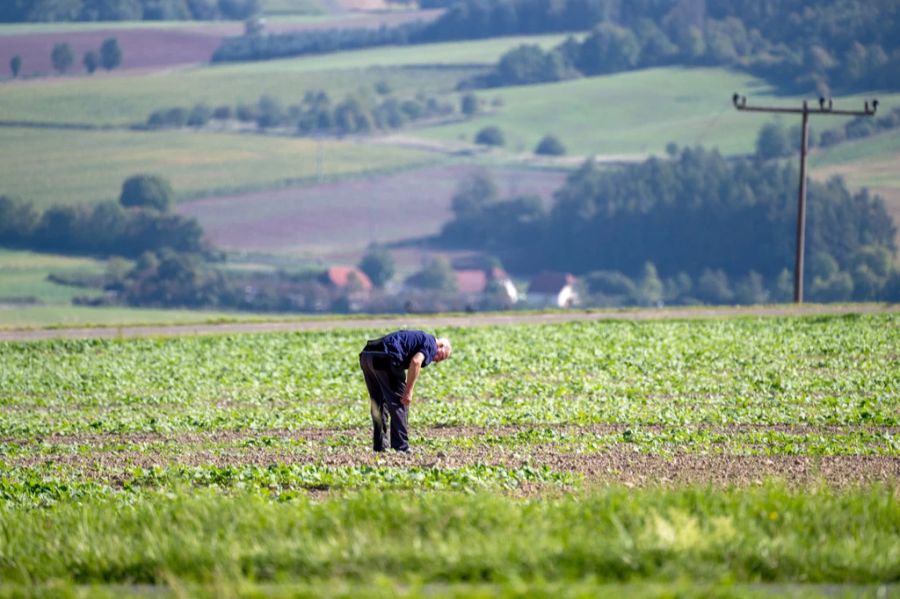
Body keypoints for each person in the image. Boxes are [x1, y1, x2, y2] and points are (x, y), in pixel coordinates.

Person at [359, 330, 452, 453]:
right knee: (401, 402)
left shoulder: (419, 338)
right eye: (442, 356)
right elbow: (416, 361)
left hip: (367, 356)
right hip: (385, 358)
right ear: (440, 346)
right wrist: (408, 391)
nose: (438, 360)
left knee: (378, 403)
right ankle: (401, 447)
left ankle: (380, 446)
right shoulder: (430, 343)